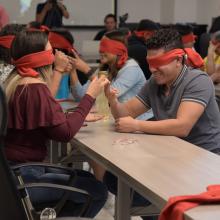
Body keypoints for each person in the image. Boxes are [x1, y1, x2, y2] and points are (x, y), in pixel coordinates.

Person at [104, 28, 220, 220]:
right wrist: (113, 101)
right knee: (114, 178)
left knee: (135, 189)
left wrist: (136, 126)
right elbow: (126, 114)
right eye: (150, 63)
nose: (152, 69)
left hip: (203, 163)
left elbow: (182, 126)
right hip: (172, 156)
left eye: (159, 63)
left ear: (178, 59)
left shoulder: (198, 81)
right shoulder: (155, 82)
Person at [4, 29, 109, 217]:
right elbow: (65, 134)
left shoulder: (16, 81)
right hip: (25, 175)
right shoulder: (35, 88)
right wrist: (90, 96)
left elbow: (45, 121)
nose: (55, 56)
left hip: (13, 173)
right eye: (51, 51)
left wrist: (76, 116)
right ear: (42, 59)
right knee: (97, 191)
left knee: (86, 178)